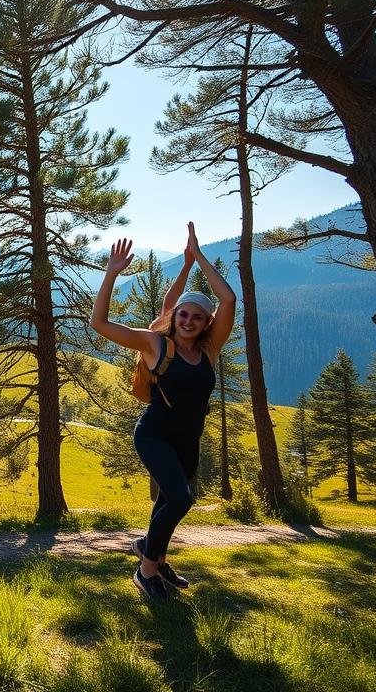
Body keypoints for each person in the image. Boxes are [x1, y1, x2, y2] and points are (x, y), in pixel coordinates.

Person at [91, 223, 236, 598]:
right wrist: (110, 274)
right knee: (181, 498)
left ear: (207, 323)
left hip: (188, 439)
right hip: (154, 433)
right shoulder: (155, 343)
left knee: (167, 501)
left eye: (197, 317)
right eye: (183, 315)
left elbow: (230, 300)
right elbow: (100, 323)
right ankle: (146, 570)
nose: (188, 321)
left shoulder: (208, 350)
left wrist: (197, 258)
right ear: (176, 317)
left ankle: (154, 554)